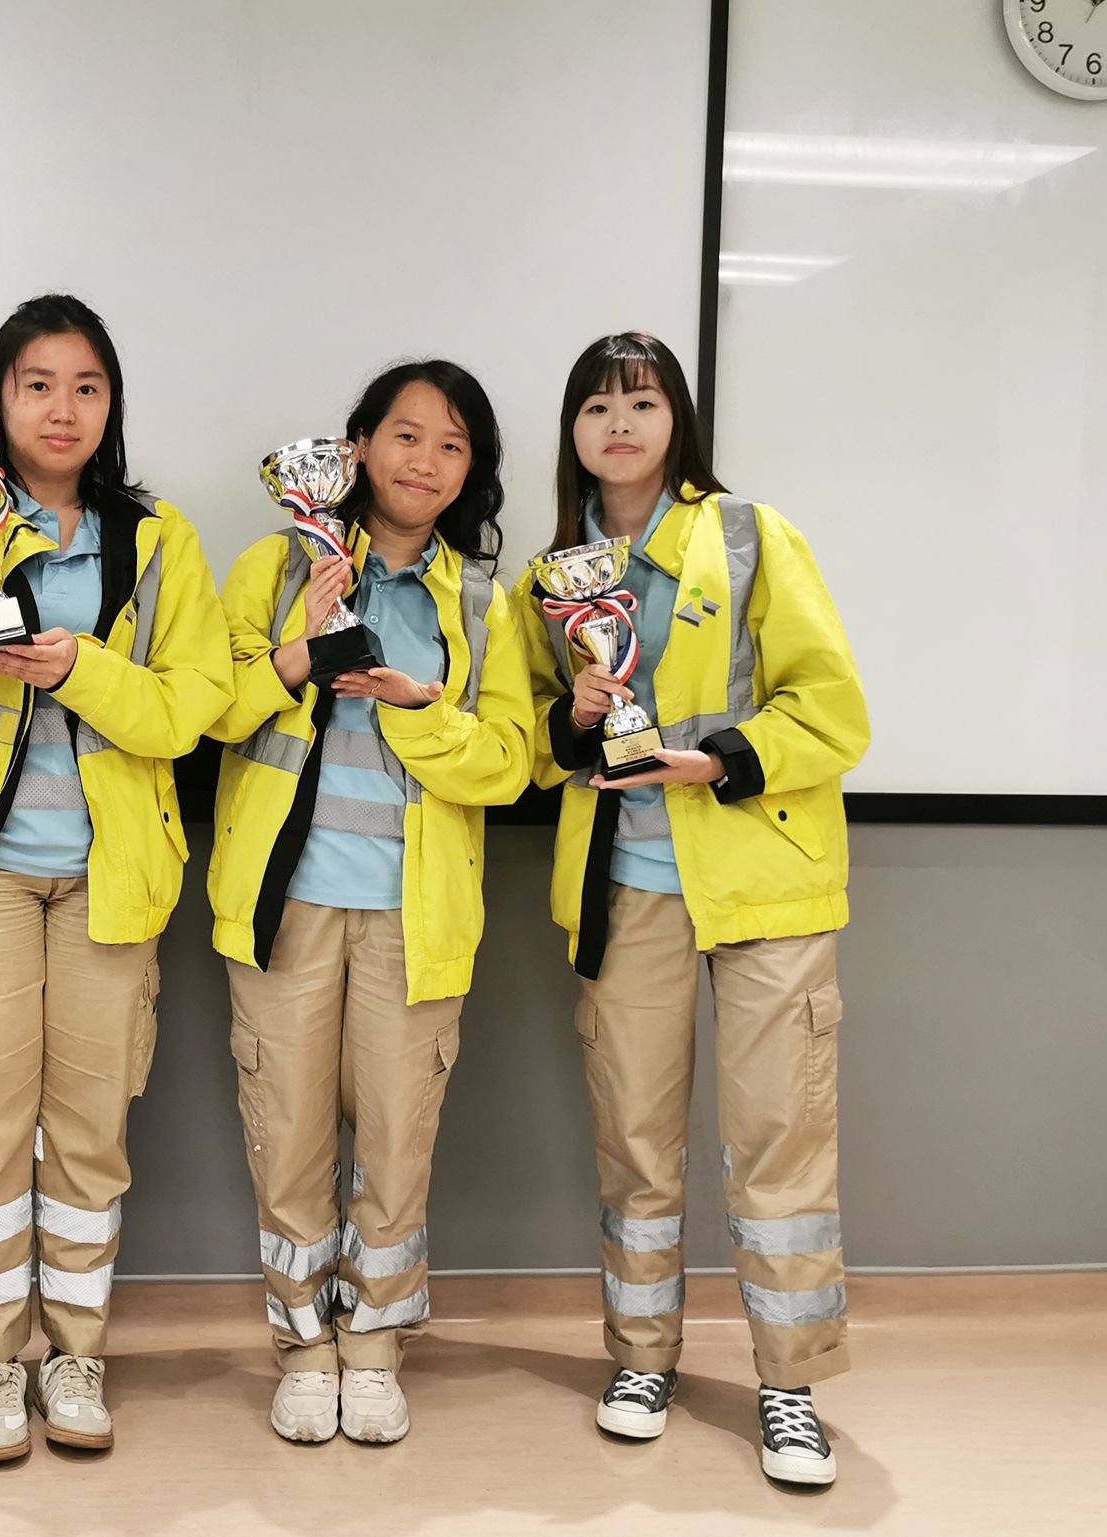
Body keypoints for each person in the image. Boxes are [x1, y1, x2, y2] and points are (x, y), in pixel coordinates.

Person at [0, 294, 230, 1463]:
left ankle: (75, 1352)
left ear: (109, 403)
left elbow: (188, 708)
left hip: (109, 881)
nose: (60, 409)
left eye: (84, 386)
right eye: (35, 384)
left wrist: (76, 666)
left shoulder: (157, 539)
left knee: (87, 1132)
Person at [513, 332, 868, 1486]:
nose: (618, 422)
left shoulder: (748, 536)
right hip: (625, 888)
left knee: (777, 1138)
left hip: (761, 880)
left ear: (676, 421)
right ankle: (638, 1357)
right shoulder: (550, 572)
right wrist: (573, 716)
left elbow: (831, 710)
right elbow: (534, 742)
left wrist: (718, 759)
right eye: (596, 405)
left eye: (642, 400)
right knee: (633, 1140)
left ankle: (788, 1385)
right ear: (570, 429)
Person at [206, 360, 533, 1444]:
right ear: (353, 448)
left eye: (450, 445)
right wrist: (297, 648)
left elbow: (507, 763)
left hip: (412, 915)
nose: (423, 461)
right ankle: (302, 1347)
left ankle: (375, 1345)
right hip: (284, 905)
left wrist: (415, 709)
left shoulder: (483, 600)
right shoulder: (276, 560)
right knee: (286, 1135)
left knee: (397, 1142)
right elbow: (211, 708)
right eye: (402, 436)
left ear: (469, 469)